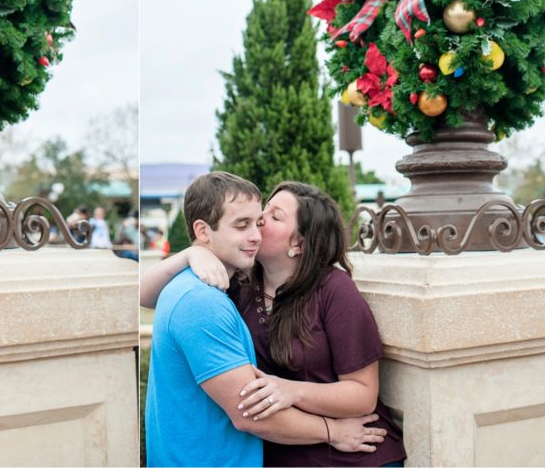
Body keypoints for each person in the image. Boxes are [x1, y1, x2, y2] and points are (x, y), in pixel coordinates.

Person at [142, 178, 406, 468]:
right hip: (283, 448)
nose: (260, 223)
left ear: (299, 243)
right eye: (259, 215)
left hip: (350, 450)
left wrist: (292, 390)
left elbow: (363, 394)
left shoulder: (334, 290)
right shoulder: (239, 284)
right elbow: (145, 294)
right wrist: (192, 253)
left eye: (272, 216)